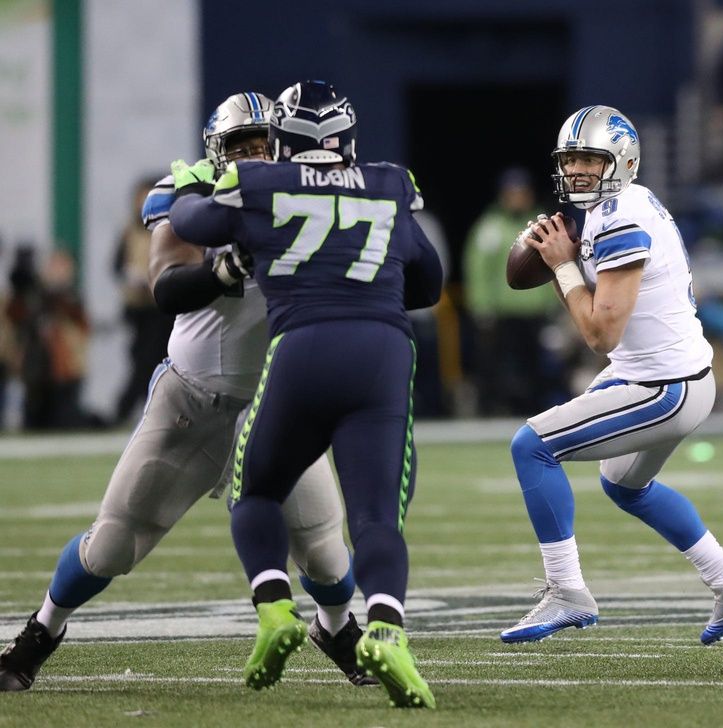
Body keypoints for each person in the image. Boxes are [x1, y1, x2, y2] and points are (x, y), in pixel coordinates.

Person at [0, 92, 374, 692]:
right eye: (238, 147)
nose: (252, 157)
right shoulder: (194, 192)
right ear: (214, 152)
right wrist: (226, 270)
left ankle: (335, 629)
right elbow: (167, 286)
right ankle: (41, 632)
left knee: (328, 554)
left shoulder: (306, 196)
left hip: (273, 407)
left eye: (261, 145)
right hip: (191, 405)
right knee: (113, 545)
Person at [168, 80, 442, 709]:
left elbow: (189, 220)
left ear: (284, 137)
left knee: (256, 488)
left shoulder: (262, 186)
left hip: (302, 350)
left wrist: (190, 182)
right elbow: (428, 282)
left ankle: (273, 607)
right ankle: (388, 630)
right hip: (382, 354)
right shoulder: (388, 181)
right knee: (377, 515)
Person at [501, 105, 723, 646]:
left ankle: (566, 590)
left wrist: (562, 266)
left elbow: (601, 335)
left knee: (531, 446)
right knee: (625, 484)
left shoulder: (621, 215)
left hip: (662, 385)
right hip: (671, 374)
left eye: (588, 160)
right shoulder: (625, 203)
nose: (575, 171)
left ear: (621, 161)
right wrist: (564, 263)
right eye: (569, 160)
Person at [463, 167, 563, 415]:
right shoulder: (491, 227)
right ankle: (490, 413)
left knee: (536, 369)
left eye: (521, 192)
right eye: (512, 192)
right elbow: (477, 269)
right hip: (502, 312)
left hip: (535, 312)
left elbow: (555, 265)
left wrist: (554, 304)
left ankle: (536, 414)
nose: (517, 197)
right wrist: (481, 307)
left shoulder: (542, 225)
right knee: (494, 367)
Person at [112, 176, 175, 423]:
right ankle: (128, 412)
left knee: (160, 360)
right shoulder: (130, 231)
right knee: (142, 361)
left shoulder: (170, 228)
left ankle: (149, 413)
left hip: (164, 307)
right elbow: (117, 265)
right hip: (140, 308)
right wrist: (133, 277)